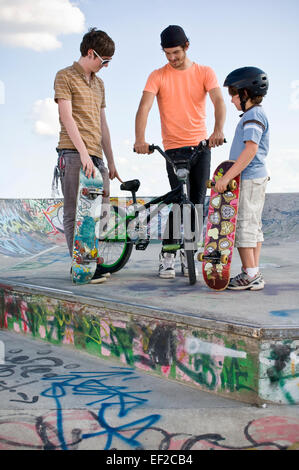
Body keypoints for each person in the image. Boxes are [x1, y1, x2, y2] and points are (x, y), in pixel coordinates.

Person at [134, 25, 226, 279]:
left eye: (176, 52)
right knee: (178, 202)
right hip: (173, 149)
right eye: (167, 54)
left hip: (201, 147)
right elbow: (144, 107)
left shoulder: (205, 72)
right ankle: (168, 255)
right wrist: (139, 139)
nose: (172, 58)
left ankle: (189, 254)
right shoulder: (157, 75)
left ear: (187, 46)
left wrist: (217, 130)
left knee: (196, 203)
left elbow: (219, 100)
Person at [54, 28, 121, 283]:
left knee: (99, 212)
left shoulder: (100, 84)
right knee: (75, 212)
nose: (105, 67)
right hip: (72, 153)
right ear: (91, 53)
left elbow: (103, 124)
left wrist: (111, 160)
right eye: (104, 62)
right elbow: (66, 116)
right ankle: (80, 266)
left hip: (96, 155)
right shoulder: (65, 76)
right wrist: (82, 153)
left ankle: (89, 261)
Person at [214, 66, 269, 290]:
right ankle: (253, 271)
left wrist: (227, 178)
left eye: (233, 95)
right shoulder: (255, 114)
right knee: (253, 226)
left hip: (247, 179)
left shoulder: (253, 115)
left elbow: (250, 150)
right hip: (255, 178)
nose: (232, 100)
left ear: (245, 93)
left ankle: (251, 274)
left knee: (243, 226)